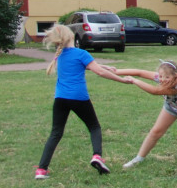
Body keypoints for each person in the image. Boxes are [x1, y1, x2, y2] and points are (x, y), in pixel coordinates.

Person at [35, 24, 131, 179]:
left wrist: (105, 65)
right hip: (78, 97)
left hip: (60, 99)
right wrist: (122, 80)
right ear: (72, 36)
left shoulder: (60, 55)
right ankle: (97, 156)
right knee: (94, 127)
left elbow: (81, 66)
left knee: (56, 133)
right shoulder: (82, 53)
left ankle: (41, 170)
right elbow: (98, 72)